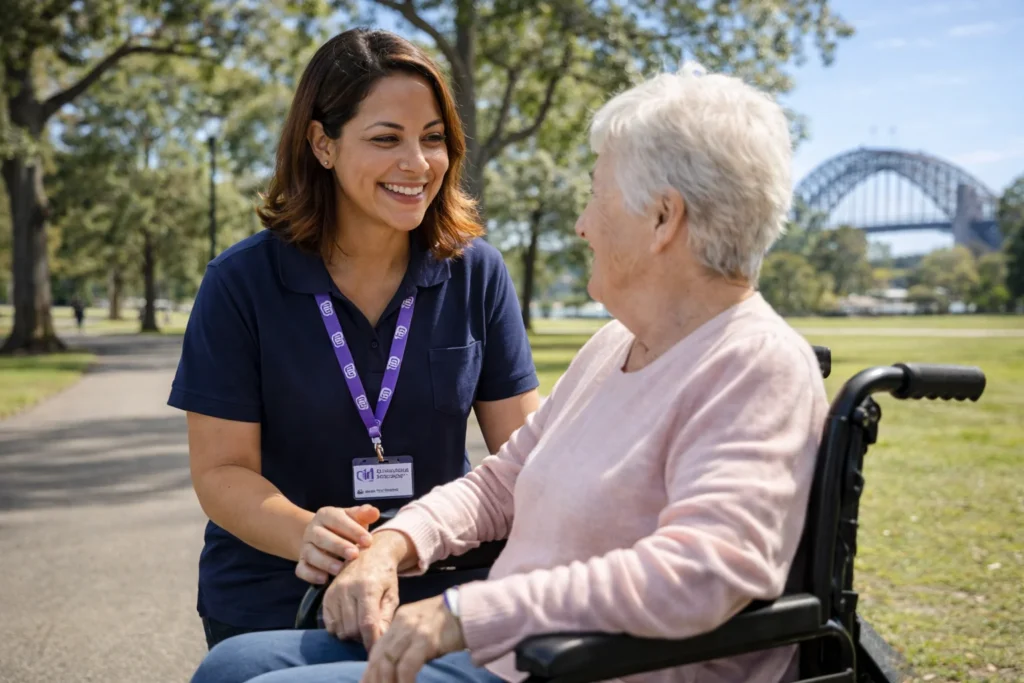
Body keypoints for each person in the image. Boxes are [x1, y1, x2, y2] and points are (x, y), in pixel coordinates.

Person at [189, 61, 830, 683]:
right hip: (507, 640)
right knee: (228, 667)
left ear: (663, 218)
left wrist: (466, 611)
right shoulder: (615, 346)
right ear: (323, 145)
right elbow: (503, 479)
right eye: (388, 138)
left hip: (574, 661)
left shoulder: (756, 366)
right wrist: (392, 544)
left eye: (596, 194)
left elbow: (703, 574)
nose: (581, 225)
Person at [168, 28, 540, 650]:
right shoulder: (240, 283)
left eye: (433, 138)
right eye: (385, 139)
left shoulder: (478, 274)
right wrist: (307, 533)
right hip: (282, 584)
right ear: (322, 144)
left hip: (438, 579)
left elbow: (526, 455)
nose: (417, 165)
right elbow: (222, 470)